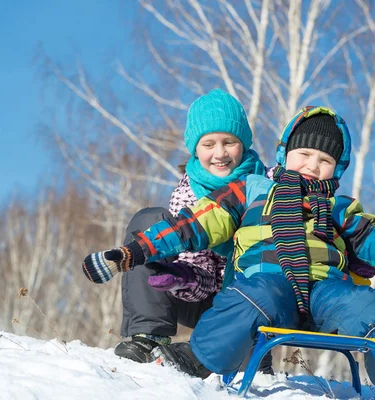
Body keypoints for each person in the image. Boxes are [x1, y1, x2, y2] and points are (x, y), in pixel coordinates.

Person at [82, 106, 375, 400]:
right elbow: (193, 224)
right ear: (285, 154)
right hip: (266, 282)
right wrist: (132, 253)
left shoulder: (341, 208)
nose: (311, 165)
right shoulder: (250, 191)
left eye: (323, 160)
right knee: (251, 298)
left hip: (328, 292)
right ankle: (195, 357)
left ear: (336, 170)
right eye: (303, 154)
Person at [114, 88, 270, 368]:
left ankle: (253, 351)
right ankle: (147, 335)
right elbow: (202, 270)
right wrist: (182, 278)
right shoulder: (187, 192)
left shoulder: (266, 185)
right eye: (209, 144)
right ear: (195, 148)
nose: (220, 153)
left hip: (251, 301)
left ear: (243, 143)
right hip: (202, 295)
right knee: (150, 221)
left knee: (247, 357)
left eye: (229, 142)